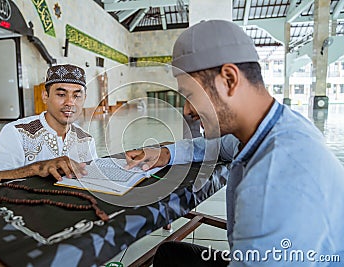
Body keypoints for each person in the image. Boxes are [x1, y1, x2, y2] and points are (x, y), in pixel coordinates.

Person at [125, 20, 344, 266]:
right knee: (169, 254)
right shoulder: (274, 127)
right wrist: (166, 153)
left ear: (229, 79)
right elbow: (216, 146)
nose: (187, 110)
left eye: (190, 95)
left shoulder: (275, 181)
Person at [0, 64, 97, 186]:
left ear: (84, 98)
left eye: (77, 96)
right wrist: (36, 168)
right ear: (45, 96)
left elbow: (93, 179)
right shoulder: (17, 132)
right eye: (61, 94)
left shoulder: (86, 140)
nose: (70, 102)